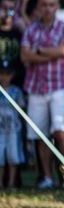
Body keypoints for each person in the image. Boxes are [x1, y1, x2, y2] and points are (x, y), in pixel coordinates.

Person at [20, 0, 64, 190]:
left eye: (51, 4)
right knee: (40, 135)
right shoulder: (30, 30)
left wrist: (38, 51)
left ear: (57, 6)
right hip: (36, 87)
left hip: (58, 87)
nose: (48, 8)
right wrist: (51, 53)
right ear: (38, 7)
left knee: (61, 131)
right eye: (44, 4)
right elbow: (25, 56)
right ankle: (46, 177)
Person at [0, 60, 25, 190]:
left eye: (7, 74)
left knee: (13, 156)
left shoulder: (16, 91)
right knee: (0, 156)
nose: (4, 77)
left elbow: (21, 109)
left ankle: (11, 183)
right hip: (0, 130)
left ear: (12, 75)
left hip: (13, 130)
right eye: (1, 73)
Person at [1, 0, 25, 88]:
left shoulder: (19, 32)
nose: (7, 12)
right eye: (4, 8)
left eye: (10, 9)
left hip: (16, 82)